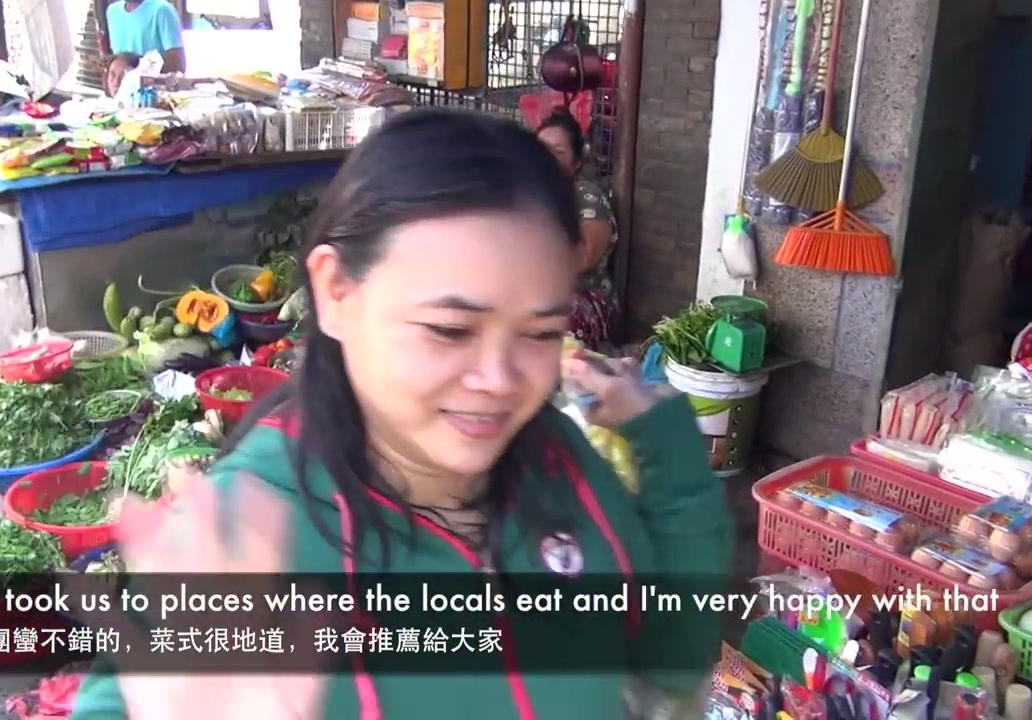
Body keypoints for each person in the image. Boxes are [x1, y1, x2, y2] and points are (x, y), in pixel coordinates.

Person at [69, 108, 732, 720]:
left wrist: (666, 447)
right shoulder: (246, 536)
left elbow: (670, 655)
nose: (499, 382)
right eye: (449, 329)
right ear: (335, 292)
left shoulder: (559, 460)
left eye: (538, 334)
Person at [536, 108, 619, 351]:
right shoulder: (526, 195)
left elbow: (583, 257)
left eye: (559, 152)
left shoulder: (585, 197)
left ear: (577, 161)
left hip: (586, 299)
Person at [105, 0, 186, 75]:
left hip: (152, 89)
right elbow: (117, 57)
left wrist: (137, 65)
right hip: (122, 90)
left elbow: (178, 64)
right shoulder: (112, 12)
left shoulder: (162, 10)